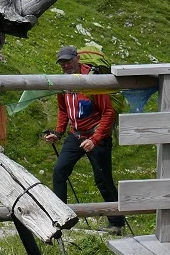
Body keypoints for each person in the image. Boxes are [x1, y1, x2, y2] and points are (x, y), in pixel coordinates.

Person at [44, 45, 126, 233]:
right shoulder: (62, 83)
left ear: (77, 59)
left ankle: (117, 223)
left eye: (68, 61)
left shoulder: (92, 81)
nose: (65, 65)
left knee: (103, 179)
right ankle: (60, 219)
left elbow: (108, 112)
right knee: (59, 171)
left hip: (97, 135)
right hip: (76, 134)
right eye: (62, 62)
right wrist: (57, 132)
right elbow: (64, 110)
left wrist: (95, 139)